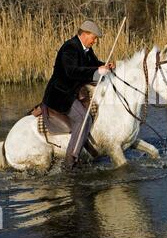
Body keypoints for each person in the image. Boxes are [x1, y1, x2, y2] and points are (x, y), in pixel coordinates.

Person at [41, 20, 114, 169]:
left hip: (73, 92)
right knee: (83, 119)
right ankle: (70, 161)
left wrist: (105, 65)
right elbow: (71, 72)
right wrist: (96, 71)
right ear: (85, 34)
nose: (95, 41)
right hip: (60, 94)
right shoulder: (70, 48)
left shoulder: (86, 49)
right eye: (94, 37)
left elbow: (93, 64)